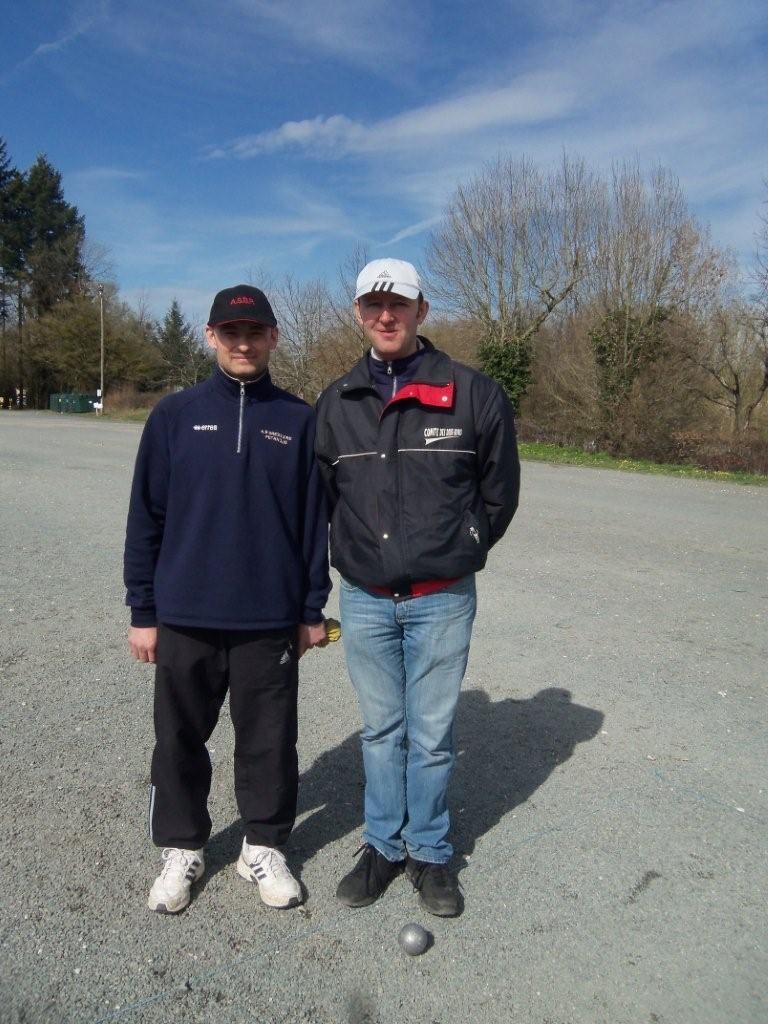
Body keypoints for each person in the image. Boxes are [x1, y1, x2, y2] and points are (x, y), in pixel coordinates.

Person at [315, 258, 520, 917]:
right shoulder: (337, 401)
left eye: (397, 303)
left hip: (441, 597)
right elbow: (318, 501)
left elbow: (500, 494)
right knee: (382, 731)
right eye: (373, 304)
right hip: (366, 601)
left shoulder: (473, 393)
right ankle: (382, 846)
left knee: (430, 734)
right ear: (357, 313)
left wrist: (460, 547)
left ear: (420, 311)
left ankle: (429, 852)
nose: (385, 315)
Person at [124, 284, 330, 914]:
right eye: (230, 332)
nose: (243, 343)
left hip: (268, 618)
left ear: (272, 337)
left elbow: (311, 523)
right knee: (179, 737)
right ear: (211, 336)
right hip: (185, 614)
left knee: (269, 740)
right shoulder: (174, 416)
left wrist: (311, 608)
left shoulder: (298, 421)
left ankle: (262, 846)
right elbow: (146, 517)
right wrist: (143, 612)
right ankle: (182, 847)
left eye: (255, 331)